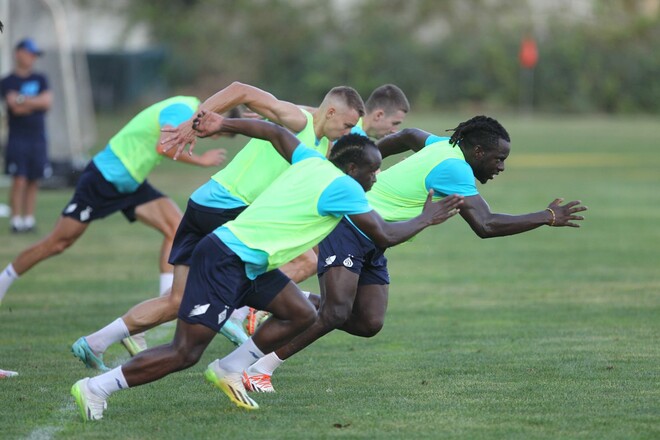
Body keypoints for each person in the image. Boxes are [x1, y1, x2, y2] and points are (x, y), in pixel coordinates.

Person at [70, 113, 463, 421]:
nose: (377, 178)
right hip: (225, 259)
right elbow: (385, 235)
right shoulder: (345, 189)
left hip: (250, 263)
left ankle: (230, 368)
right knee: (184, 352)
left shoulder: (312, 160)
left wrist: (225, 123)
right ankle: (98, 387)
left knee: (302, 311)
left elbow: (273, 133)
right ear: (353, 170)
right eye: (372, 171)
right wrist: (427, 216)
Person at [242, 115, 588, 393]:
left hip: (378, 237)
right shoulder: (456, 167)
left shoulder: (444, 145)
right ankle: (260, 368)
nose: (501, 167)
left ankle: (290, 299)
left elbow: (409, 135)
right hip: (351, 226)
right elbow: (486, 225)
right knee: (335, 312)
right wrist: (547, 216)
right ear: (478, 152)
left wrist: (370, 157)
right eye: (499, 159)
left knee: (368, 322)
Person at [70, 84, 366, 370]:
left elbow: (312, 136)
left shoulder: (321, 141)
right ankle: (237, 319)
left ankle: (95, 342)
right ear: (329, 112)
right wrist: (193, 121)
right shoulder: (296, 118)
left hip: (203, 203)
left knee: (177, 300)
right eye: (348, 124)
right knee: (301, 262)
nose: (350, 132)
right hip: (228, 209)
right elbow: (241, 90)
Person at [0, 97, 225, 314]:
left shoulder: (187, 111)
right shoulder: (182, 109)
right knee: (58, 243)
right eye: (220, 130)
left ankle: (168, 304)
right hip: (104, 177)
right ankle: (4, 281)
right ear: (213, 114)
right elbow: (163, 147)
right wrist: (201, 160)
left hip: (131, 184)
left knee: (176, 228)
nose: (215, 136)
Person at [1, 38, 52, 233]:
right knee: (19, 179)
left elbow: (47, 103)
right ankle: (16, 220)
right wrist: (33, 103)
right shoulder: (7, 81)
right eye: (29, 53)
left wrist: (22, 99)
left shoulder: (41, 79)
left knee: (33, 178)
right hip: (17, 138)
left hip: (37, 137)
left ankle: (29, 219)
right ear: (18, 53)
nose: (32, 58)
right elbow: (14, 108)